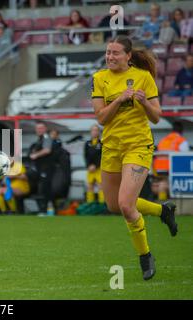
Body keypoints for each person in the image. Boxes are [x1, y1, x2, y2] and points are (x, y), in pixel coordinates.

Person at [91, 35, 178, 281]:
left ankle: (145, 256)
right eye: (108, 52)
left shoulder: (143, 77)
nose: (110, 57)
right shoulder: (99, 79)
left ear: (128, 56)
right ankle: (162, 211)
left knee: (127, 206)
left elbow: (156, 117)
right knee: (113, 205)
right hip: (112, 147)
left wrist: (144, 103)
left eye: (116, 53)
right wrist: (119, 99)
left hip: (138, 146)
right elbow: (101, 118)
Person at [152, 121, 190, 201]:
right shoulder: (181, 140)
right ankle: (163, 203)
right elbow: (185, 157)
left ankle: (162, 201)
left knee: (162, 184)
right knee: (165, 185)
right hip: (170, 169)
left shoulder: (163, 140)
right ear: (181, 131)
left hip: (158, 169)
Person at [29, 121, 53, 215]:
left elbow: (47, 150)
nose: (39, 130)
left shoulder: (46, 138)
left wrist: (36, 155)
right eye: (37, 128)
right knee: (39, 188)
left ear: (45, 129)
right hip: (39, 169)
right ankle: (42, 209)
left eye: (41, 128)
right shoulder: (39, 139)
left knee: (44, 189)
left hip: (46, 168)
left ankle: (45, 210)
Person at [84, 124, 104, 204]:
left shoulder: (102, 143)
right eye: (93, 130)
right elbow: (86, 156)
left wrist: (95, 165)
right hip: (90, 169)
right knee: (89, 186)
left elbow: (102, 156)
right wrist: (89, 165)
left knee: (101, 186)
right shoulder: (87, 143)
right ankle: (90, 204)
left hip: (99, 168)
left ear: (99, 132)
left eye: (96, 130)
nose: (94, 132)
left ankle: (102, 205)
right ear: (90, 132)